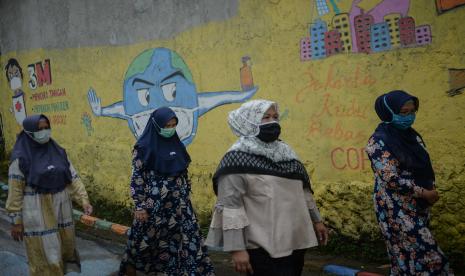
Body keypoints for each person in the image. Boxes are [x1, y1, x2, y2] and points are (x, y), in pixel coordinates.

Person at [206, 99, 328, 276]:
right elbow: (231, 206)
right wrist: (237, 249)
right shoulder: (236, 159)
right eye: (265, 117)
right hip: (260, 246)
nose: (273, 122)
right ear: (249, 121)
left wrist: (317, 220)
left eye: (275, 116)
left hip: (295, 241)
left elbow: (303, 191)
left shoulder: (286, 153)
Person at [119, 107, 215, 276]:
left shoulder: (177, 145)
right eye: (167, 125)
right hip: (154, 207)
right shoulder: (143, 148)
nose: (170, 129)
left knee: (187, 242)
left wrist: (185, 195)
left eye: (173, 125)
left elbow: (184, 173)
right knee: (147, 243)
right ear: (156, 125)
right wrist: (140, 205)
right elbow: (137, 178)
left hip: (180, 208)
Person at [366, 90, 450, 275]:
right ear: (388, 112)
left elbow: (423, 166)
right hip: (394, 206)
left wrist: (430, 189)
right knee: (428, 255)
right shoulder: (378, 141)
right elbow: (391, 178)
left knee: (406, 255)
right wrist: (423, 192)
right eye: (403, 112)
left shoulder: (413, 136)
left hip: (418, 205)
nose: (409, 117)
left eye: (412, 112)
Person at [6, 114, 93, 275]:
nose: (44, 131)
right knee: (48, 253)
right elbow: (15, 191)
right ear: (29, 131)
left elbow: (72, 177)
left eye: (47, 127)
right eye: (40, 129)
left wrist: (84, 200)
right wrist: (16, 221)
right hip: (38, 214)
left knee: (63, 248)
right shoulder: (21, 158)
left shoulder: (58, 152)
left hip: (62, 210)